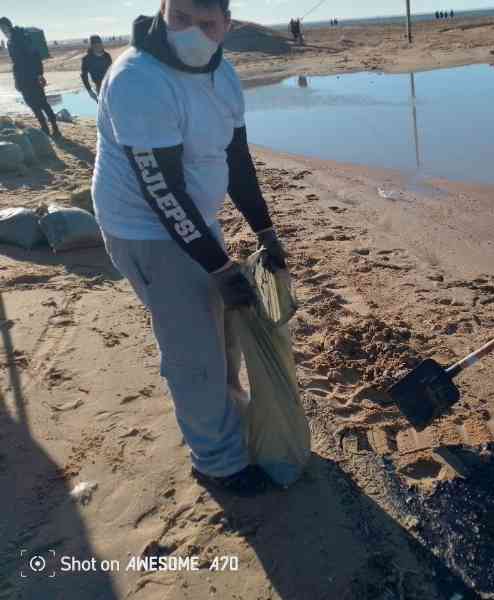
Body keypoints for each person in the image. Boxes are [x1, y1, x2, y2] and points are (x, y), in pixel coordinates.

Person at [92, 0, 290, 495]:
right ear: (162, 9)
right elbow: (161, 191)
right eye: (179, 18)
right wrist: (220, 267)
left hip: (194, 221)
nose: (191, 34)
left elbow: (237, 159)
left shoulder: (224, 77)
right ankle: (218, 464)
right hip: (146, 230)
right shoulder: (139, 79)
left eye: (206, 23)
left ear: (227, 23)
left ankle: (227, 421)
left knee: (222, 334)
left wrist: (265, 231)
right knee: (193, 351)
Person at [0, 16, 61, 138]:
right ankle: (44, 128)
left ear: (8, 25)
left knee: (42, 103)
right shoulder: (9, 41)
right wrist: (16, 81)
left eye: (3, 27)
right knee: (32, 104)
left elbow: (35, 56)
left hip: (32, 76)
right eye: (1, 28)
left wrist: (39, 74)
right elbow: (16, 63)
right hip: (22, 78)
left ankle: (55, 128)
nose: (2, 30)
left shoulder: (22, 37)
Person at [81, 35, 113, 102]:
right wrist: (89, 91)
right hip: (99, 87)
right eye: (95, 45)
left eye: (99, 44)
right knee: (102, 107)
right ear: (91, 46)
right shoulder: (87, 59)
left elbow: (112, 71)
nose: (98, 46)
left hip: (110, 85)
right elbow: (84, 75)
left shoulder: (107, 56)